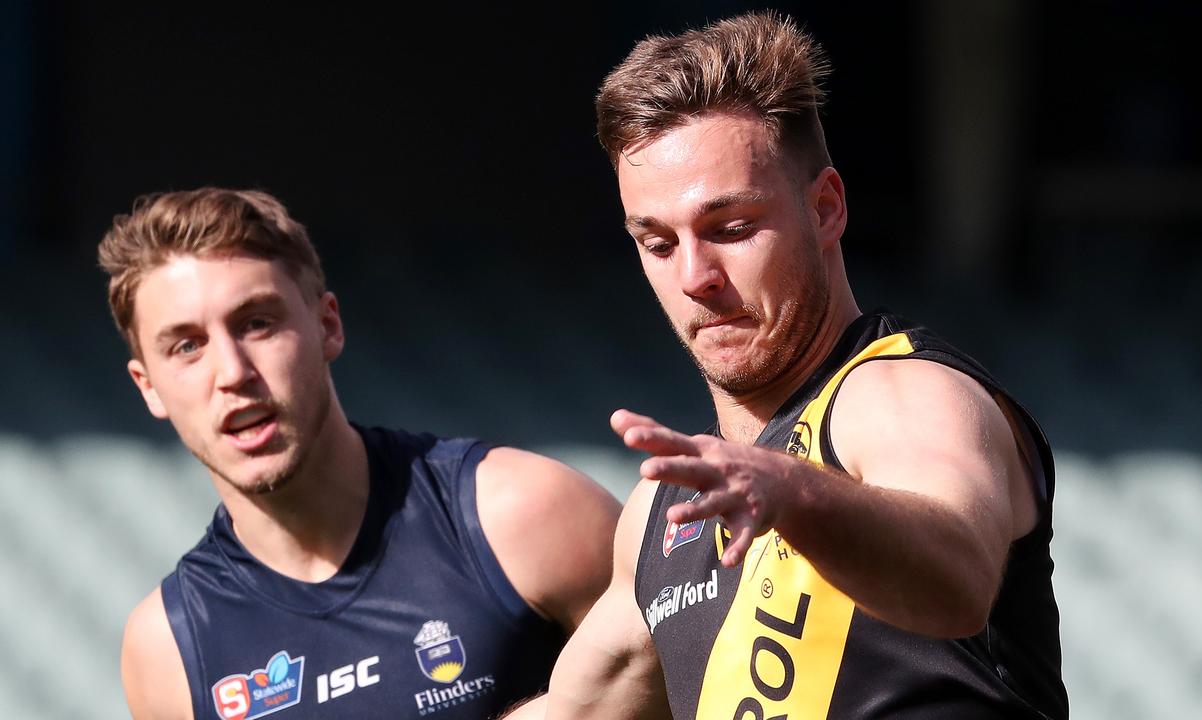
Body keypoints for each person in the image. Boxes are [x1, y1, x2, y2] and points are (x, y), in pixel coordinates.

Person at [522, 12, 1068, 719]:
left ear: (826, 208)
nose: (695, 276)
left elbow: (957, 575)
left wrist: (788, 491)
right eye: (656, 243)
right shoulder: (661, 516)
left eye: (731, 229)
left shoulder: (901, 394)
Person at [100, 188, 621, 720]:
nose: (232, 372)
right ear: (149, 388)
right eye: (186, 346)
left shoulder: (524, 513)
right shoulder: (167, 651)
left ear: (327, 325)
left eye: (257, 323)